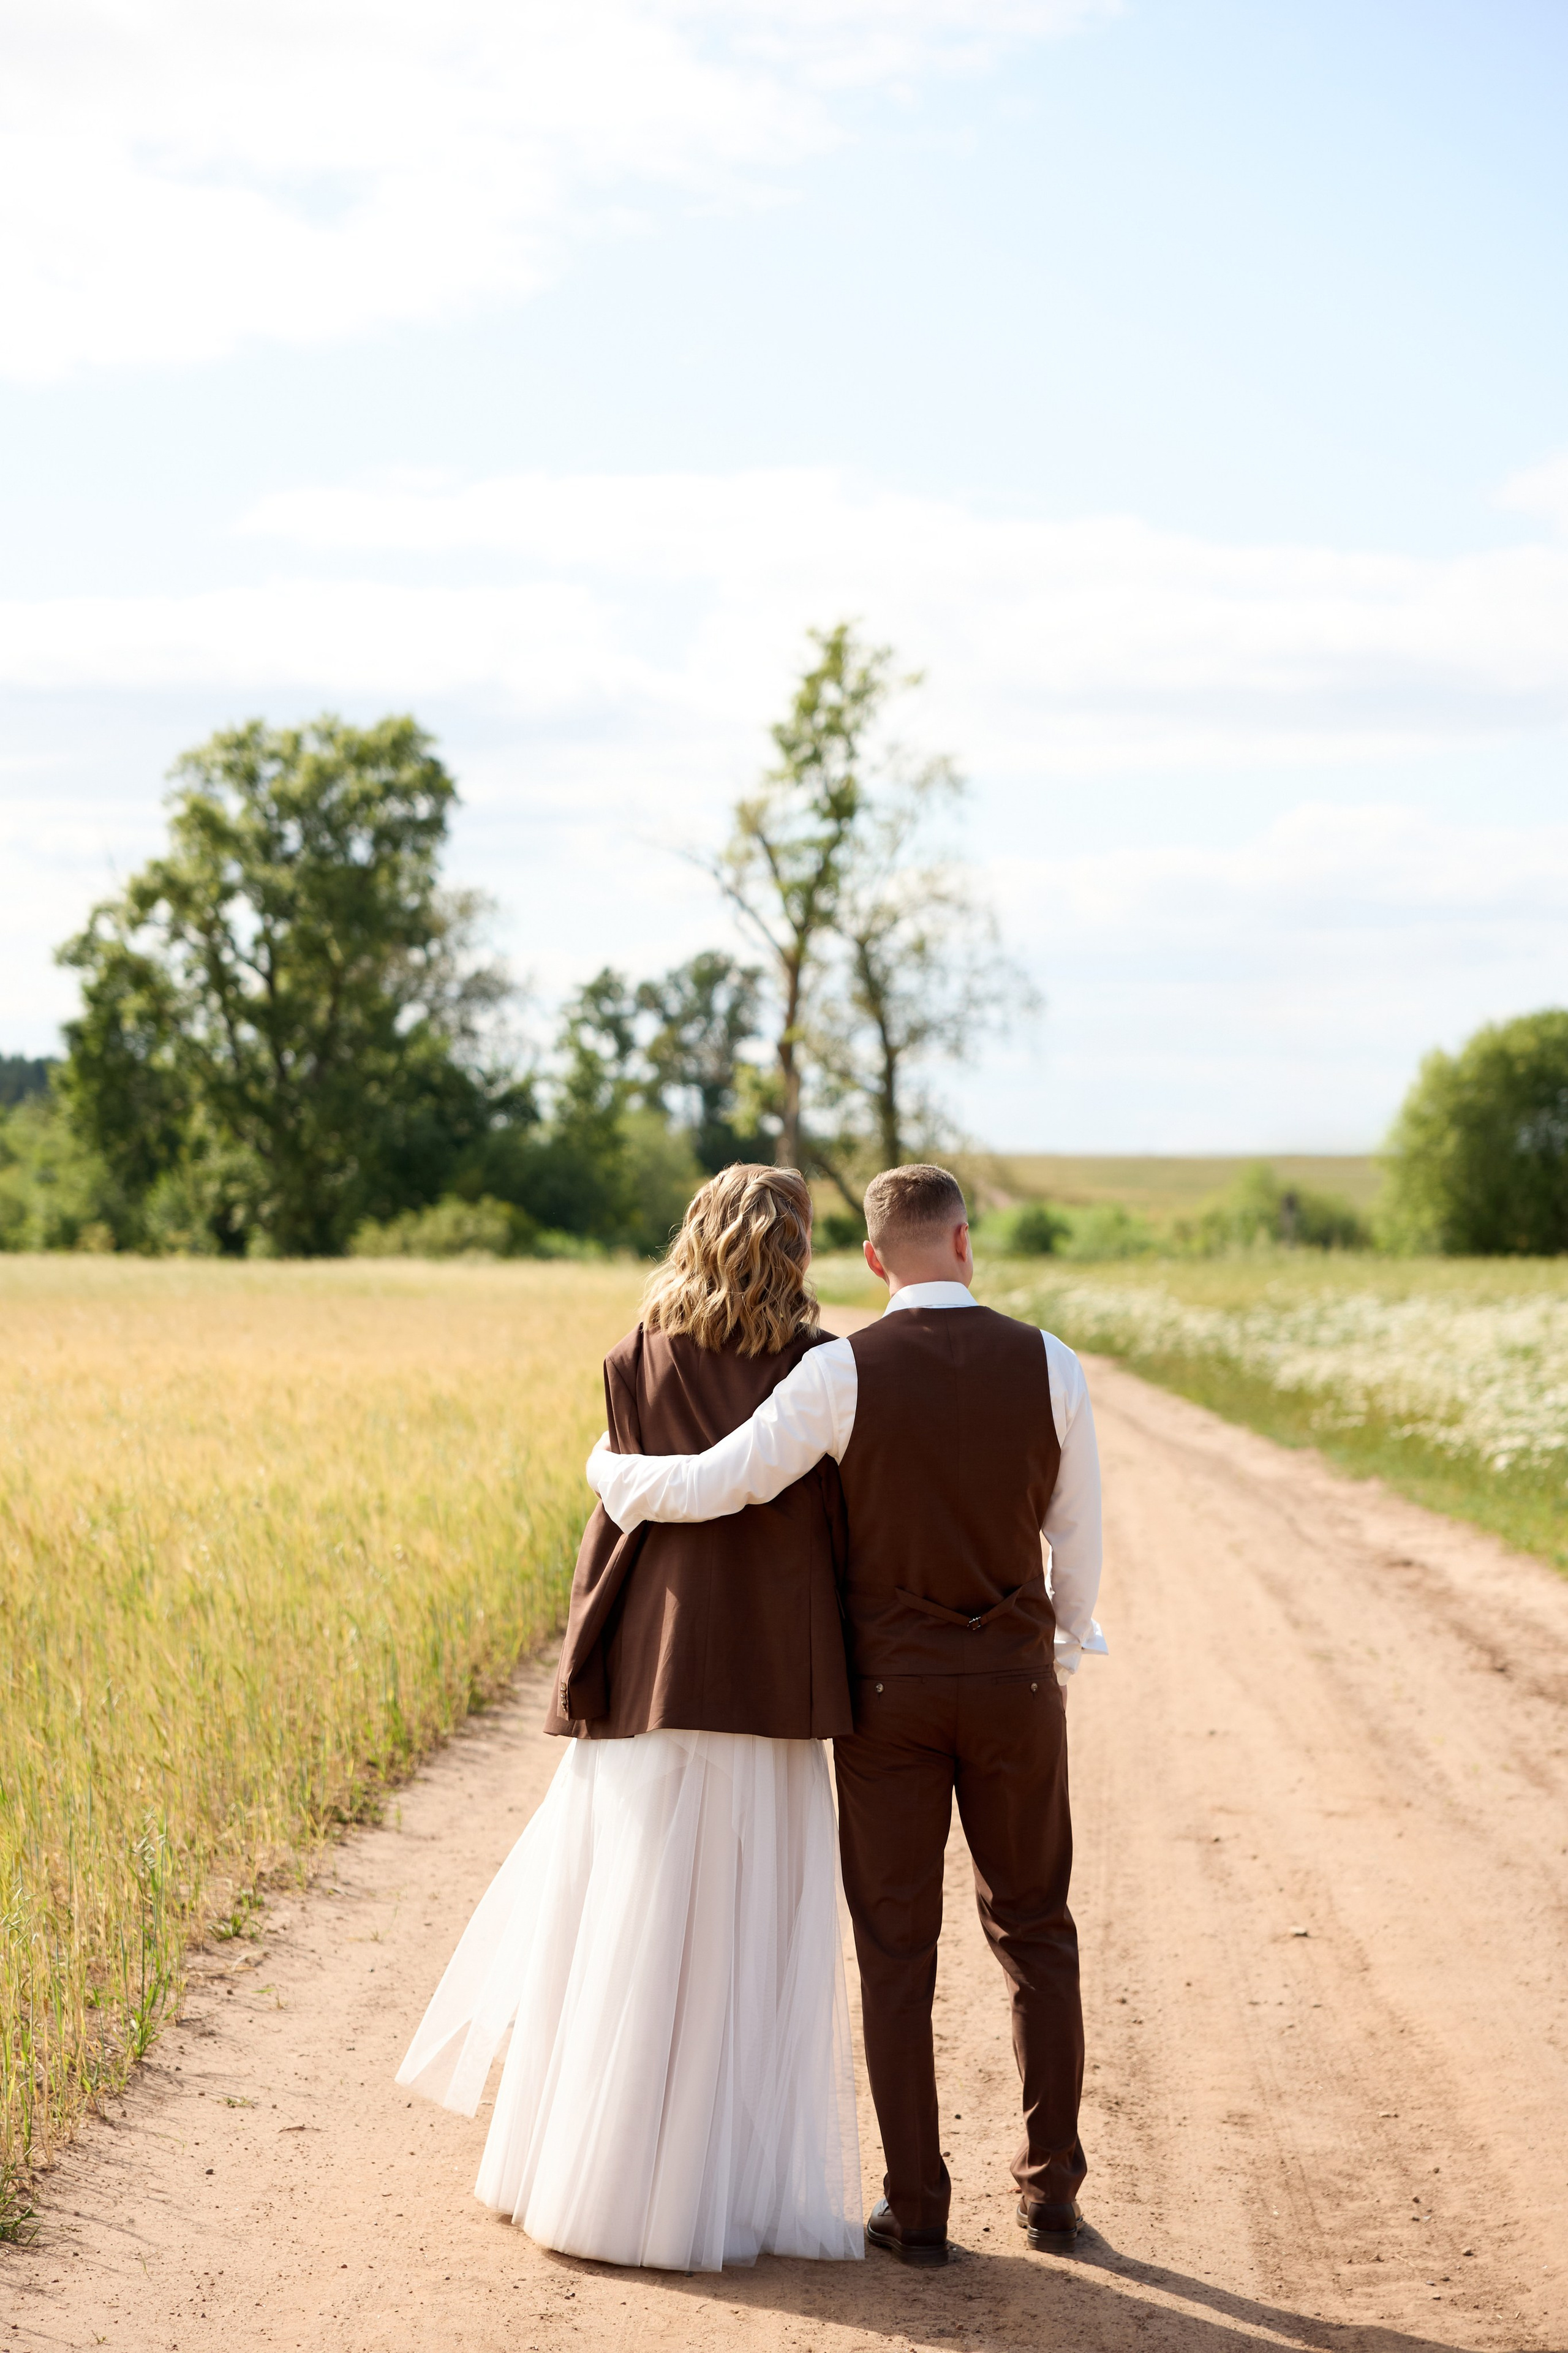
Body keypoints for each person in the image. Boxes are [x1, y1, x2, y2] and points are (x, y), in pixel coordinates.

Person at [589, 1162, 1105, 2269]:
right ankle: (1051, 2192)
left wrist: (617, 1476)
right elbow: (1081, 1542)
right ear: (966, 1243)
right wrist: (1050, 1650)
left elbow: (726, 1480)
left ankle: (916, 2210)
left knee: (895, 1947)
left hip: (892, 1701)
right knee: (1037, 1930)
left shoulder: (843, 1372)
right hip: (1016, 1689)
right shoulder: (1053, 1363)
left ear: (873, 1261)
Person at [396, 1163, 864, 2272]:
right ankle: (717, 2192)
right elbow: (785, 1500)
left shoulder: (634, 1355)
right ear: (795, 1251)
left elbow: (637, 1515)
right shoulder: (822, 1366)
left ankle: (590, 2178)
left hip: (652, 1663)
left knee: (627, 1918)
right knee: (742, 1931)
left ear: (698, 1232)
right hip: (764, 1676)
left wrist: (613, 1473)